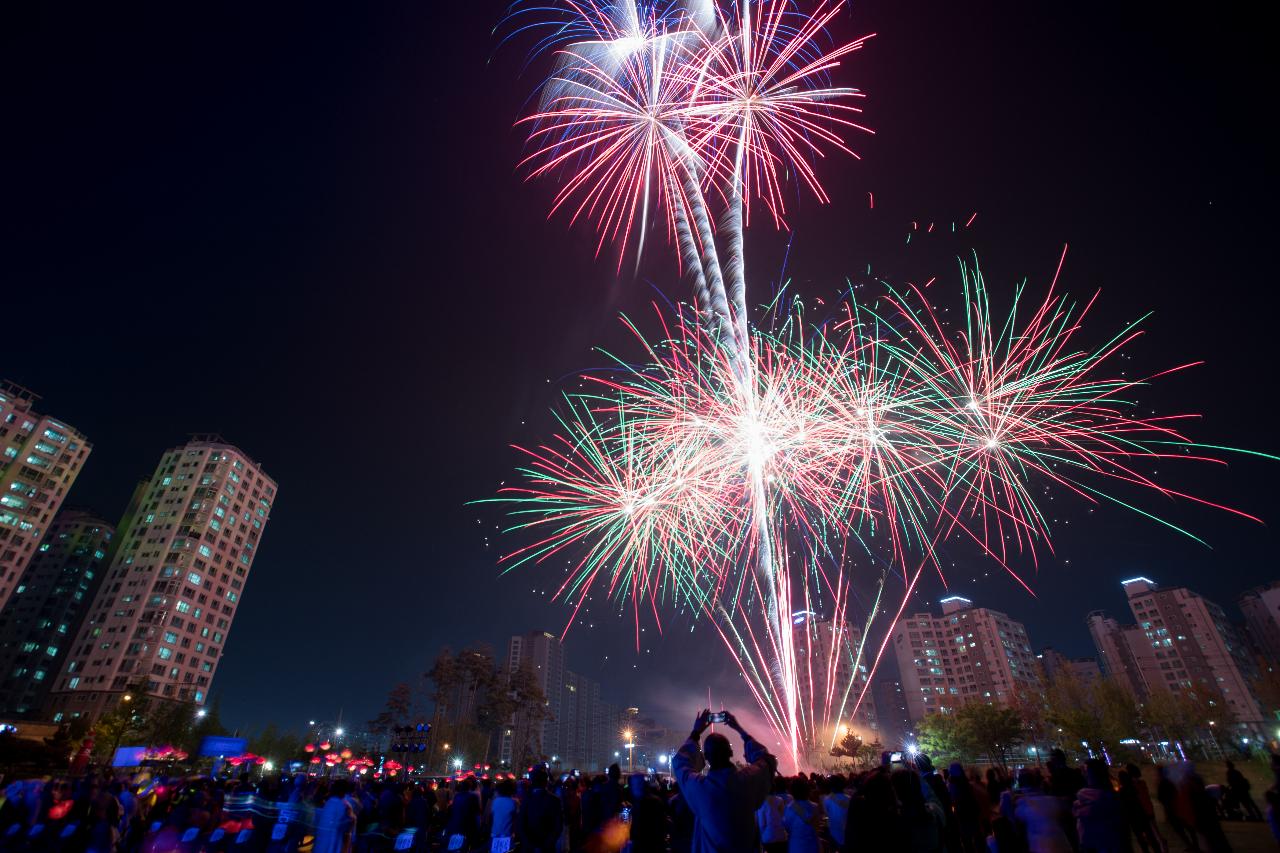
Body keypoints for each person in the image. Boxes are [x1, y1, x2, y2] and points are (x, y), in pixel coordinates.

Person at [671, 709, 777, 853]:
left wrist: (696, 732)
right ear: (731, 753)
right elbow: (767, 760)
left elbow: (680, 762)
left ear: (706, 757)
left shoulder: (700, 789)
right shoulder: (748, 781)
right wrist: (739, 729)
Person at [1006, 768, 1072, 853]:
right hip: (1063, 846)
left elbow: (1013, 821)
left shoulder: (1024, 805)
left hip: (1041, 848)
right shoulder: (1052, 800)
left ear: (1021, 783)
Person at [1072, 760, 1126, 853]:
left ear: (1093, 774)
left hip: (1095, 844)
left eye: (1085, 770)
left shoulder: (1086, 797)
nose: (1083, 773)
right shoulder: (1112, 795)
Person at [518, 767, 563, 853]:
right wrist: (546, 845)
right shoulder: (555, 800)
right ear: (546, 782)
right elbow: (558, 826)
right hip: (547, 848)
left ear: (532, 782)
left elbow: (521, 823)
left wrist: (528, 844)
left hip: (529, 847)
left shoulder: (526, 799)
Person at [783, 777, 822, 853]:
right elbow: (817, 827)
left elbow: (787, 828)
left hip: (796, 846)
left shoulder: (788, 808)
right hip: (812, 845)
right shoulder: (815, 807)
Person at [756, 777, 788, 853]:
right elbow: (784, 818)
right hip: (782, 836)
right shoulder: (780, 800)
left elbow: (761, 824)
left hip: (768, 838)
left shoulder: (761, 802)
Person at [822, 774, 850, 849]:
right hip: (847, 834)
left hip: (833, 834)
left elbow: (827, 813)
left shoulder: (826, 799)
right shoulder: (849, 799)